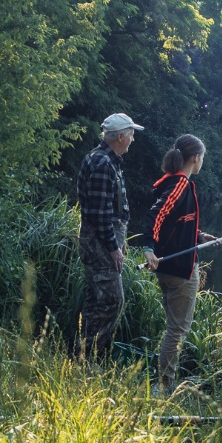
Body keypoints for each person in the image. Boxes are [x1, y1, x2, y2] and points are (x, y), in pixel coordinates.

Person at [142, 134, 219, 394]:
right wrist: (147, 247)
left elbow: (174, 224)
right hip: (179, 270)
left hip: (170, 267)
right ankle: (164, 389)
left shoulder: (175, 183)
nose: (202, 162)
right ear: (195, 158)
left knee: (173, 328)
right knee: (177, 331)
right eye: (202, 158)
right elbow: (157, 214)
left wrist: (198, 236)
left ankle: (163, 383)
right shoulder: (180, 185)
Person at [76, 112, 144, 361]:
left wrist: (118, 244)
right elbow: (100, 214)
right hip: (100, 244)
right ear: (120, 137)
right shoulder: (103, 164)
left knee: (96, 300)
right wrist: (114, 248)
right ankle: (90, 359)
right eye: (131, 134)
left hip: (102, 242)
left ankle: (83, 357)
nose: (133, 140)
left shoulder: (104, 159)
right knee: (112, 301)